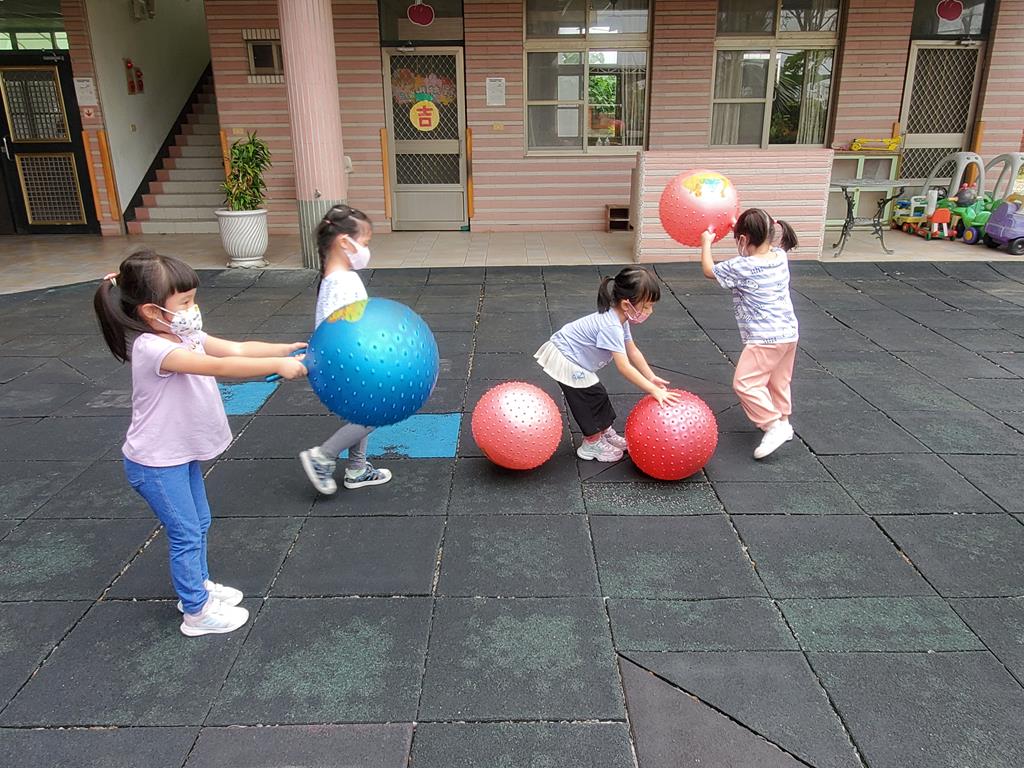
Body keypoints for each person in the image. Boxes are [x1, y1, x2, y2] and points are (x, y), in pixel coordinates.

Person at [93, 249, 307, 636]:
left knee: (199, 522)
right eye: (186, 302)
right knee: (186, 532)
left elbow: (238, 348)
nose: (194, 309)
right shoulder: (154, 348)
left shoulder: (186, 335)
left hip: (176, 455)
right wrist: (276, 367)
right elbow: (221, 366)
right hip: (156, 463)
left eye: (194, 300)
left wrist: (284, 349)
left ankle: (198, 587)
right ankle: (196, 611)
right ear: (151, 311)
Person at [535, 267, 681, 462]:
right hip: (564, 357)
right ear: (626, 304)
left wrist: (651, 377)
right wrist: (653, 391)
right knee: (588, 398)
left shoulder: (622, 319)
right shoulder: (611, 326)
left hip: (574, 356)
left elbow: (633, 350)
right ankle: (591, 443)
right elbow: (624, 367)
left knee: (597, 395)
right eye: (646, 307)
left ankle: (604, 432)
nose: (650, 311)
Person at [299, 204, 393, 495]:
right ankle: (323, 455)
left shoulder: (331, 280)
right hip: (349, 361)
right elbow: (346, 329)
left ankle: (357, 468)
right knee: (376, 412)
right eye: (364, 242)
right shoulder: (344, 281)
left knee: (361, 412)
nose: (366, 250)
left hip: (340, 361)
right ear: (344, 242)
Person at [700, 207, 800, 460]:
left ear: (743, 239)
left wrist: (706, 243)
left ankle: (773, 425)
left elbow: (709, 270)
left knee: (745, 383)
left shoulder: (742, 266)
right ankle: (784, 421)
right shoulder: (780, 256)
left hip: (765, 339)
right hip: (789, 333)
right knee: (779, 380)